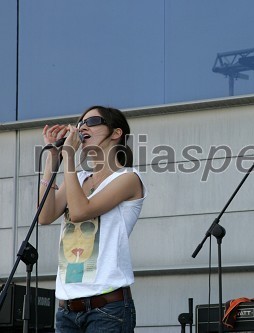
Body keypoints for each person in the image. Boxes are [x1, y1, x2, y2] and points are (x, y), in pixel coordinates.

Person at [38, 105, 147, 333]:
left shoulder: (128, 178)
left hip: (107, 308)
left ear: (116, 133)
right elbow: (45, 216)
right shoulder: (78, 177)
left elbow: (79, 211)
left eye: (92, 122)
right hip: (67, 309)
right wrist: (52, 160)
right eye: (81, 123)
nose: (83, 127)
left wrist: (69, 156)